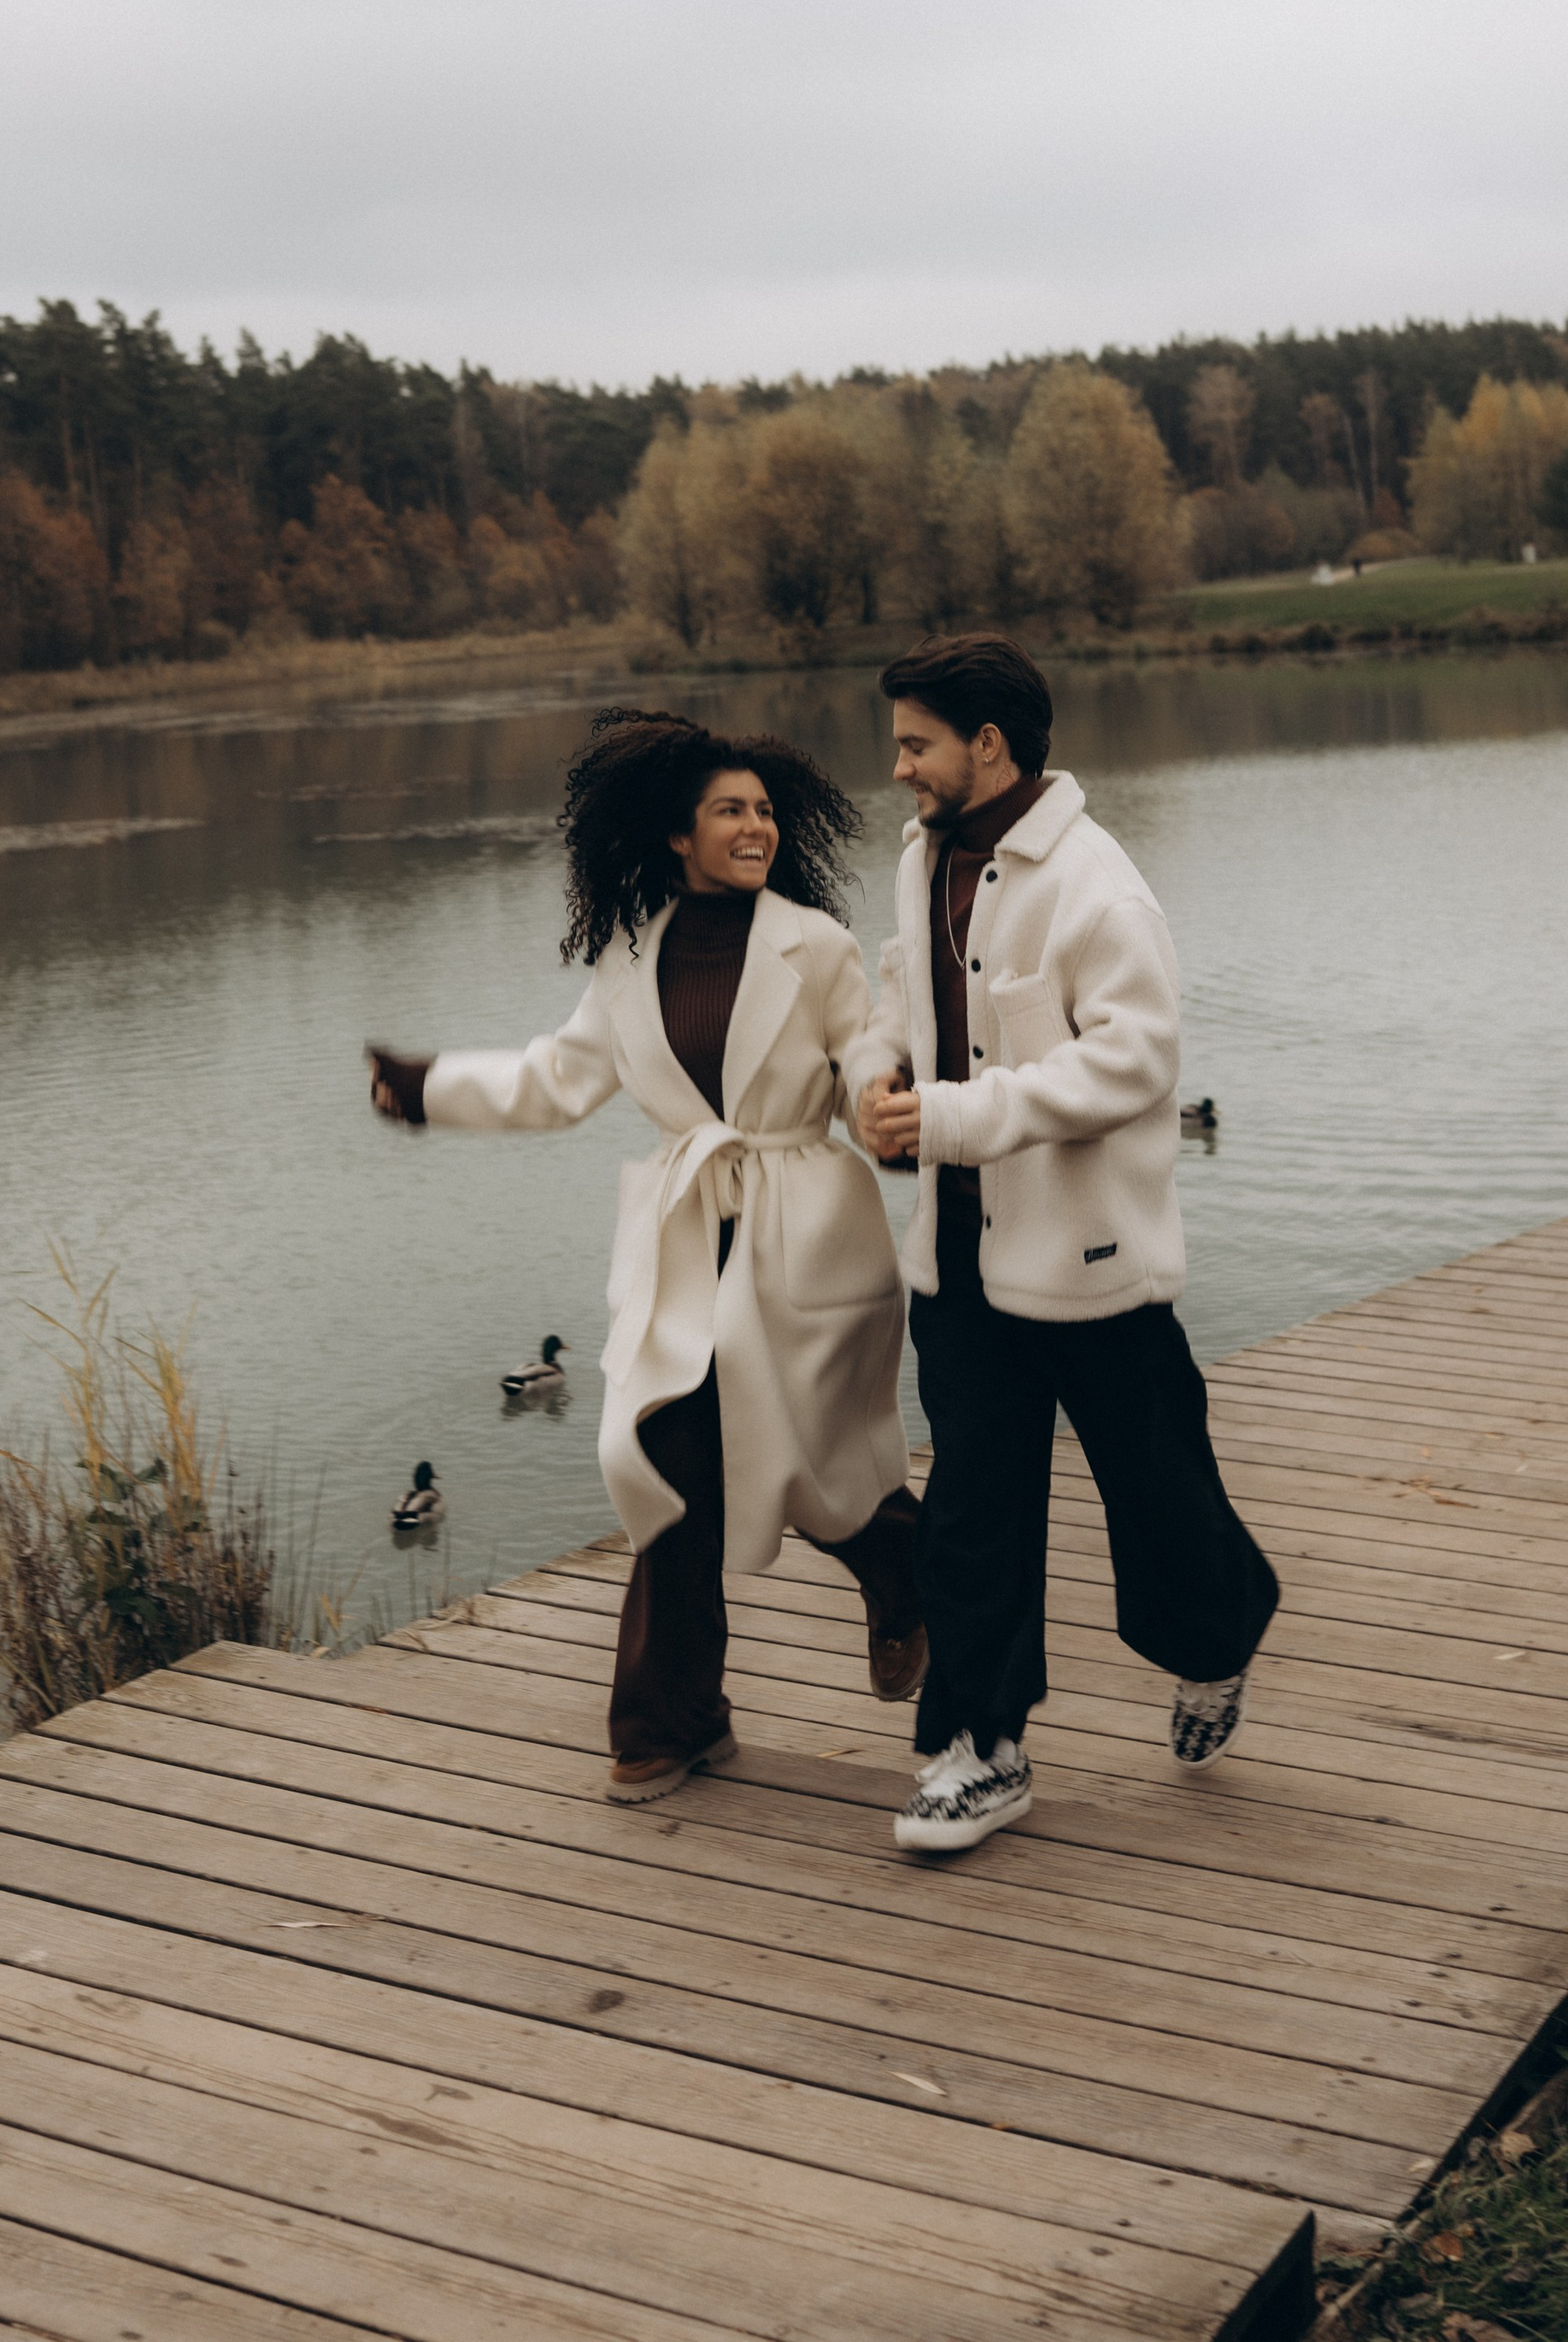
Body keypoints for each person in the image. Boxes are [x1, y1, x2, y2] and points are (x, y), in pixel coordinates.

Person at [368, 707, 924, 1805]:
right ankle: (665, 1723)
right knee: (661, 1461)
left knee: (821, 1472)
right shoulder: (628, 958)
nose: (755, 825)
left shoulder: (814, 945)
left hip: (802, 1232)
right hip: (686, 1241)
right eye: (731, 811)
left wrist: (877, 1088)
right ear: (680, 833)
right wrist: (429, 1088)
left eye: (764, 810)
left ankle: (907, 1580)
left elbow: (867, 1037)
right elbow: (554, 1082)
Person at [851, 631, 1278, 1855]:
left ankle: (1215, 1636)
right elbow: (904, 1000)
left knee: (1160, 1498)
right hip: (962, 1270)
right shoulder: (919, 862)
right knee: (971, 1513)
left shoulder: (1099, 886)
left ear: (988, 745)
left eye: (916, 744)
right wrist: (882, 1078)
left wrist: (954, 1116)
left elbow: (1135, 1060)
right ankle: (977, 1750)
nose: (900, 769)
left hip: (1094, 1269)